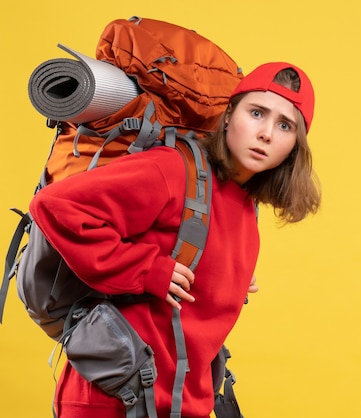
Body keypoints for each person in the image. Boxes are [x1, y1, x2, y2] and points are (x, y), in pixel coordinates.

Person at [28, 62, 320, 417]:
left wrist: (229, 276)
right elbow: (56, 205)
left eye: (285, 125)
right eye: (257, 113)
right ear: (228, 116)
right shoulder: (174, 169)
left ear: (294, 145)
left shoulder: (245, 205)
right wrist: (145, 269)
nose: (267, 134)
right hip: (114, 399)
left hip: (179, 402)